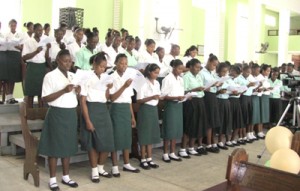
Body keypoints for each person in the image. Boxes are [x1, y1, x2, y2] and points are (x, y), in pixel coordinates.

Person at [38, 49, 81, 191]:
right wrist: (64, 90)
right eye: (65, 61)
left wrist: (79, 92)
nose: (68, 63)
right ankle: (52, 179)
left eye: (70, 61)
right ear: (58, 61)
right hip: (57, 114)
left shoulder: (73, 76)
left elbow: (77, 97)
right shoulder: (50, 76)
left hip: (70, 114)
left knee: (67, 147)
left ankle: (66, 176)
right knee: (55, 147)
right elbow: (45, 98)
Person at [80, 52, 115, 182]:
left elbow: (106, 98)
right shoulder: (86, 77)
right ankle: (94, 170)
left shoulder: (106, 77)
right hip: (91, 109)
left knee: (107, 139)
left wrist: (108, 88)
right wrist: (88, 120)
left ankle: (101, 167)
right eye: (101, 66)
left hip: (103, 109)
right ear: (94, 65)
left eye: (105, 67)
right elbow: (83, 101)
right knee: (93, 142)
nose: (103, 69)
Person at [109, 53, 140, 176]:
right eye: (121, 63)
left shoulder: (128, 78)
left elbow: (129, 100)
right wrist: (124, 86)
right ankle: (115, 166)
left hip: (126, 110)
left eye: (126, 63)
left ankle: (126, 163)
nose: (123, 66)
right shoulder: (111, 77)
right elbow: (112, 97)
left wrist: (132, 116)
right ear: (116, 63)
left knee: (127, 138)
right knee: (116, 138)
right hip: (116, 109)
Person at [179, 58, 208, 158]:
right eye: (196, 67)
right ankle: (183, 148)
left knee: (197, 125)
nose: (198, 69)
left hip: (200, 101)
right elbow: (183, 91)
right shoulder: (186, 77)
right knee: (189, 125)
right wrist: (196, 89)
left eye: (199, 68)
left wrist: (204, 88)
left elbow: (201, 89)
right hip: (190, 102)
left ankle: (191, 147)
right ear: (190, 67)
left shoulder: (199, 76)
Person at [136, 63, 161, 169]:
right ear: (149, 72)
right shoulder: (142, 82)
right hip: (145, 109)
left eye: (158, 73)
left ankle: (149, 158)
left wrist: (159, 97)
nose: (157, 75)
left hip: (153, 109)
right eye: (155, 73)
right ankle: (143, 159)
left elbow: (158, 96)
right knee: (144, 135)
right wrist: (151, 97)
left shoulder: (157, 83)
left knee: (150, 135)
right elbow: (139, 100)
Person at [161, 59, 185, 162]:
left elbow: (182, 92)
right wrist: (175, 97)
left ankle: (172, 152)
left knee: (175, 129)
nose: (181, 71)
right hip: (170, 105)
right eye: (179, 68)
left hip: (178, 105)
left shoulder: (180, 79)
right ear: (174, 68)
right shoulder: (167, 79)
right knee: (169, 129)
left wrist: (185, 97)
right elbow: (163, 96)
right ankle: (165, 153)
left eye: (182, 69)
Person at [22, 23, 51, 108]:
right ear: (34, 30)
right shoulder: (28, 41)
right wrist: (36, 52)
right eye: (38, 30)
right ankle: (30, 113)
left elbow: (45, 57)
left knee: (40, 92)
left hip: (41, 67)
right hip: (32, 67)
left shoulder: (44, 41)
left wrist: (48, 48)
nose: (40, 32)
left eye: (41, 30)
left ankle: (40, 113)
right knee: (30, 92)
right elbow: (24, 57)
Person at [199, 53, 221, 153]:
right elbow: (200, 85)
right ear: (209, 62)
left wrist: (218, 84)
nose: (214, 67)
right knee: (207, 121)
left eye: (216, 65)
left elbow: (214, 85)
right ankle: (207, 143)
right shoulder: (202, 72)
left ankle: (211, 142)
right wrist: (206, 87)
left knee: (212, 121)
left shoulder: (213, 73)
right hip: (206, 97)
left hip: (213, 96)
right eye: (213, 64)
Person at [236, 65, 257, 142]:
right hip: (243, 97)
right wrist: (247, 85)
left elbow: (252, 88)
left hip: (249, 97)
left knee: (249, 115)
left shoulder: (249, 78)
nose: (248, 74)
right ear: (243, 71)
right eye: (247, 72)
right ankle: (241, 135)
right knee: (243, 116)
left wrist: (255, 86)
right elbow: (239, 89)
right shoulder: (239, 78)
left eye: (250, 72)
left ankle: (247, 134)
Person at [6, 19, 23, 104]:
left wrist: (17, 47)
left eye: (14, 25)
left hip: (16, 56)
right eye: (11, 25)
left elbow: (22, 47)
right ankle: (8, 97)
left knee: (14, 77)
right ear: (9, 26)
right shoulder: (6, 35)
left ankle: (11, 96)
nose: (13, 27)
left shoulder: (19, 34)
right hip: (8, 56)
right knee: (8, 77)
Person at [228, 65, 246, 145]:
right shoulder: (227, 79)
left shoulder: (238, 80)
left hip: (237, 100)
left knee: (238, 121)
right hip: (229, 100)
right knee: (229, 121)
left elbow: (242, 88)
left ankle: (233, 139)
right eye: (233, 73)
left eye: (237, 74)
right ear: (230, 71)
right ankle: (228, 140)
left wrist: (242, 91)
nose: (234, 75)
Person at [215, 62, 232, 150]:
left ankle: (222, 140)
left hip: (226, 100)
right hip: (219, 101)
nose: (224, 73)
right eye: (223, 71)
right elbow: (213, 91)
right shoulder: (216, 78)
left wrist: (232, 91)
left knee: (226, 120)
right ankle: (217, 141)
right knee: (220, 121)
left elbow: (230, 89)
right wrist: (219, 91)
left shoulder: (227, 79)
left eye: (226, 72)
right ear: (218, 71)